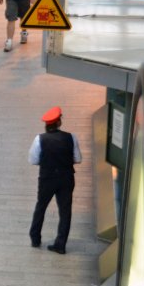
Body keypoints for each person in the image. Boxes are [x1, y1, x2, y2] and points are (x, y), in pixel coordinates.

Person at [28, 106, 82, 254]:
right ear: (58, 122)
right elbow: (78, 159)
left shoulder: (40, 139)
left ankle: (35, 239)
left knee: (41, 207)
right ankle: (60, 245)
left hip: (47, 178)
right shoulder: (71, 137)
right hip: (66, 178)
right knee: (65, 211)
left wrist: (47, 161)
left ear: (47, 124)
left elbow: (33, 160)